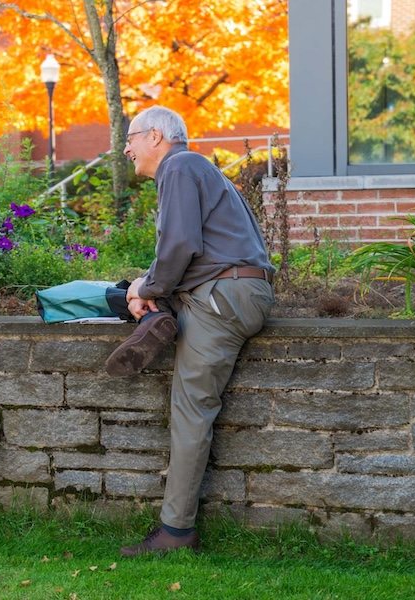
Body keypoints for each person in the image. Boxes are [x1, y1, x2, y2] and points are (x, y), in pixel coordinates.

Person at [110, 106, 275, 556]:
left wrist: (150, 286)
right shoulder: (198, 169)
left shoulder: (180, 165)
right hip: (232, 290)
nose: (126, 147)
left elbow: (182, 245)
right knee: (137, 296)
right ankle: (157, 318)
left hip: (224, 296)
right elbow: (183, 246)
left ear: (158, 136)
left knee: (191, 409)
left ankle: (176, 533)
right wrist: (148, 286)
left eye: (132, 137)